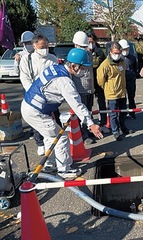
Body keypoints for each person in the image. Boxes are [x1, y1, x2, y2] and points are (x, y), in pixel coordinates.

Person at [21, 48, 103, 179]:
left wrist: (49, 110)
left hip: (31, 106)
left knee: (50, 135)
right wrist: (91, 124)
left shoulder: (55, 68)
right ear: (73, 65)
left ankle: (50, 164)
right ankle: (64, 170)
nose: (84, 70)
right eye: (82, 67)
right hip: (35, 111)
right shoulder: (65, 82)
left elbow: (44, 89)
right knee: (61, 137)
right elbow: (77, 105)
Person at [19, 34, 59, 157]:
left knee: (54, 120)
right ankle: (40, 143)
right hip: (33, 94)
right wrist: (32, 91)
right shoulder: (27, 59)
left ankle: (55, 142)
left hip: (50, 95)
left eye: (46, 46)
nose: (45, 49)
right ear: (34, 45)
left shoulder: (53, 59)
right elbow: (24, 77)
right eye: (42, 47)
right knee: (36, 120)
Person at [97, 41, 133, 141]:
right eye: (115, 53)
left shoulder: (122, 62)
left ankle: (123, 128)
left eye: (119, 52)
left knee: (123, 112)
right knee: (113, 114)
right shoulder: (105, 64)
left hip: (122, 92)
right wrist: (108, 88)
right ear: (110, 52)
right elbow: (100, 80)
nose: (117, 55)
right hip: (112, 94)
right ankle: (115, 131)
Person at [72, 31, 96, 145]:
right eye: (81, 46)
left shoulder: (89, 54)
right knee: (82, 113)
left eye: (84, 46)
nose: (84, 48)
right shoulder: (73, 56)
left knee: (89, 111)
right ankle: (83, 135)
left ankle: (89, 129)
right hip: (80, 89)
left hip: (89, 89)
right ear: (75, 45)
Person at [87, 32, 109, 133]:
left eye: (92, 41)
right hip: (87, 83)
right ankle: (90, 126)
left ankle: (103, 123)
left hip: (99, 81)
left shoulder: (100, 52)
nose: (91, 43)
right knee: (88, 105)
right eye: (88, 42)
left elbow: (105, 66)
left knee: (101, 103)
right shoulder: (83, 53)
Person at [119, 39, 138, 120]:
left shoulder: (132, 57)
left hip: (131, 80)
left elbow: (136, 68)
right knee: (122, 98)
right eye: (124, 49)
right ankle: (123, 114)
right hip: (121, 81)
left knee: (131, 97)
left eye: (127, 49)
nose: (125, 51)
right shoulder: (118, 58)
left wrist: (133, 75)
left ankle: (132, 113)